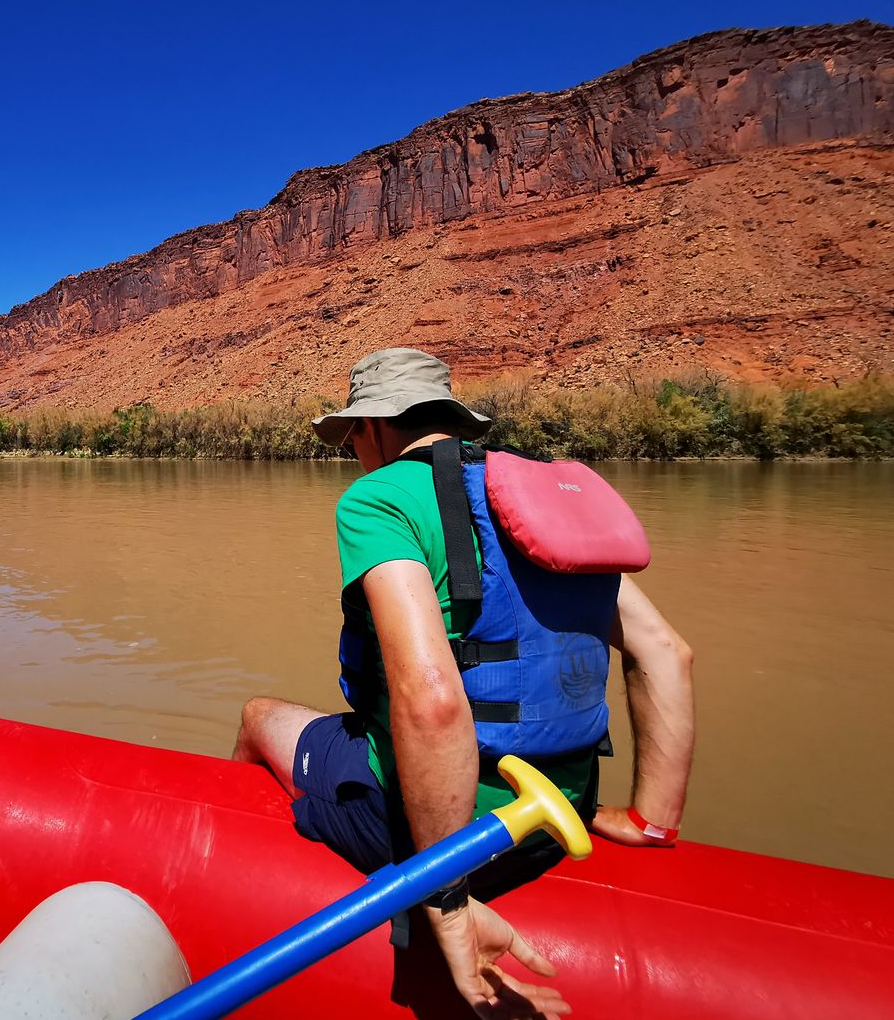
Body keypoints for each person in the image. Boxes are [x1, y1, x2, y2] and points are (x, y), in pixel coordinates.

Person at [233, 348, 695, 1019]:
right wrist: (647, 819)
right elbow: (667, 653)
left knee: (258, 714)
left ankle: (236, 857)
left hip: (462, 840)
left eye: (353, 439)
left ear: (373, 428)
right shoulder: (539, 498)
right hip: (558, 813)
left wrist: (444, 897)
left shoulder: (378, 499)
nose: (354, 455)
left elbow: (433, 697)